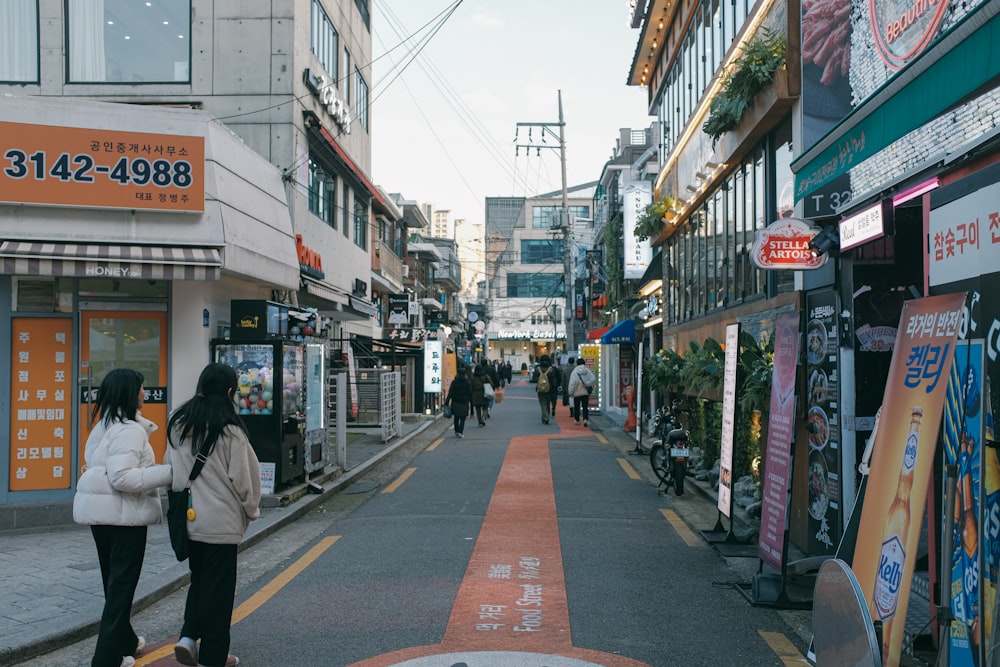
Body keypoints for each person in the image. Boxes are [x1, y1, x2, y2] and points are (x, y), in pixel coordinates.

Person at [72, 368, 173, 667]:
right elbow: (123, 478)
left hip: (100, 517)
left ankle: (126, 641)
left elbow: (92, 465)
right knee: (121, 589)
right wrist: (169, 473)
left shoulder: (102, 424)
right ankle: (105, 660)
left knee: (113, 584)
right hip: (124, 517)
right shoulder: (129, 429)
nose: (145, 393)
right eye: (141, 388)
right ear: (131, 393)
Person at [166, 363, 261, 667]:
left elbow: (173, 472)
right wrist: (251, 511)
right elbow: (246, 481)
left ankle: (188, 636)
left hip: (190, 521)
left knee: (201, 582)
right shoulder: (230, 431)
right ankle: (213, 658)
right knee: (220, 596)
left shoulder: (178, 423)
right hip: (221, 524)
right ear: (230, 391)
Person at [567, 358, 597, 427]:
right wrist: (587, 384)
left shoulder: (574, 372)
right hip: (585, 392)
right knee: (585, 407)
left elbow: (572, 383)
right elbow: (593, 379)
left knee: (577, 407)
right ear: (584, 363)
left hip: (577, 392)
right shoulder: (587, 370)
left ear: (577, 364)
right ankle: (585, 419)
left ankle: (577, 420)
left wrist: (570, 392)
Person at [445, 364, 472, 438]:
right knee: (463, 418)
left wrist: (447, 402)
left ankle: (456, 430)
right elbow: (470, 393)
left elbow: (450, 393)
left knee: (456, 417)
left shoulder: (454, 382)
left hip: (455, 402)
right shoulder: (467, 382)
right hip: (464, 402)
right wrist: (471, 402)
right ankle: (460, 431)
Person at [531, 355, 559, 424]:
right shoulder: (551, 369)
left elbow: (534, 379)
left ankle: (545, 417)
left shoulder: (538, 369)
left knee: (543, 404)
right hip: (549, 389)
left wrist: (540, 381)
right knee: (547, 403)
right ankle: (546, 417)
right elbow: (554, 381)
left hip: (540, 389)